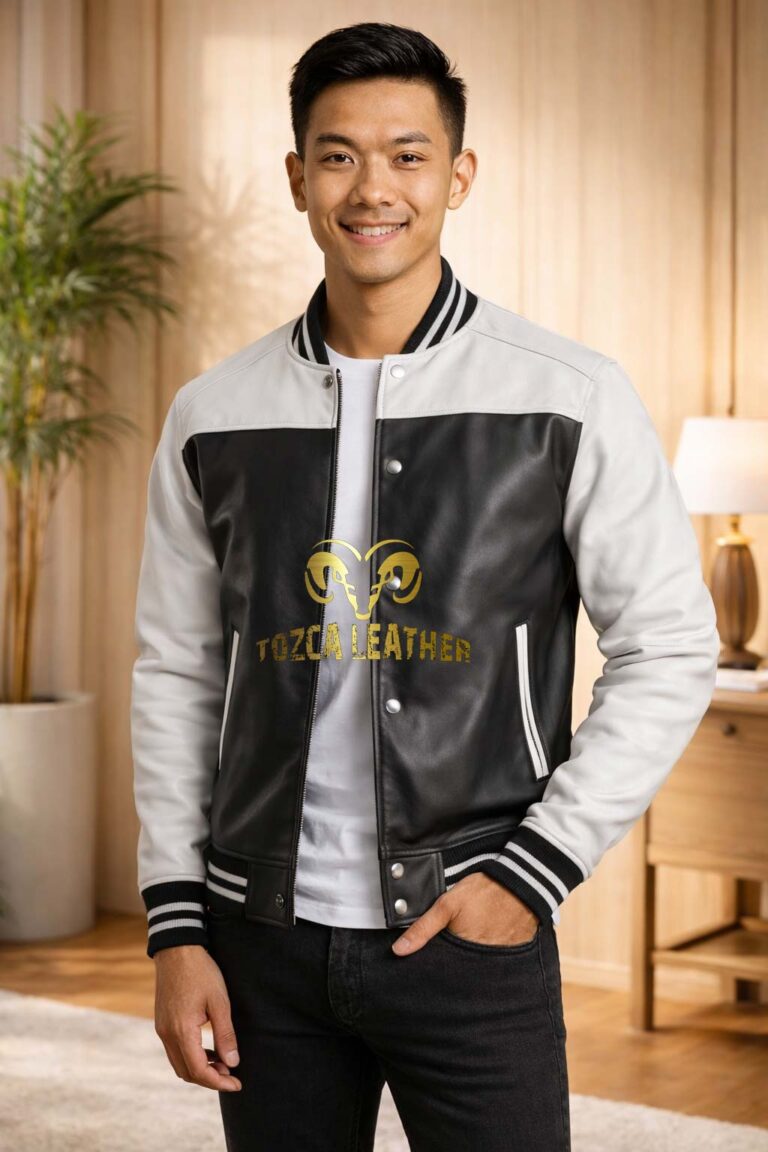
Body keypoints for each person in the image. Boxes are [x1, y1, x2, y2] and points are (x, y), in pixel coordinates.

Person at [130, 21, 720, 1152]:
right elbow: (178, 672)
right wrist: (176, 925)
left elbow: (670, 647)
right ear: (298, 177)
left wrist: (532, 874)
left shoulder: (569, 396)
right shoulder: (214, 414)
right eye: (339, 155)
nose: (373, 188)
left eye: (407, 155)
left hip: (472, 927)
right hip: (260, 939)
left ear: (459, 175)